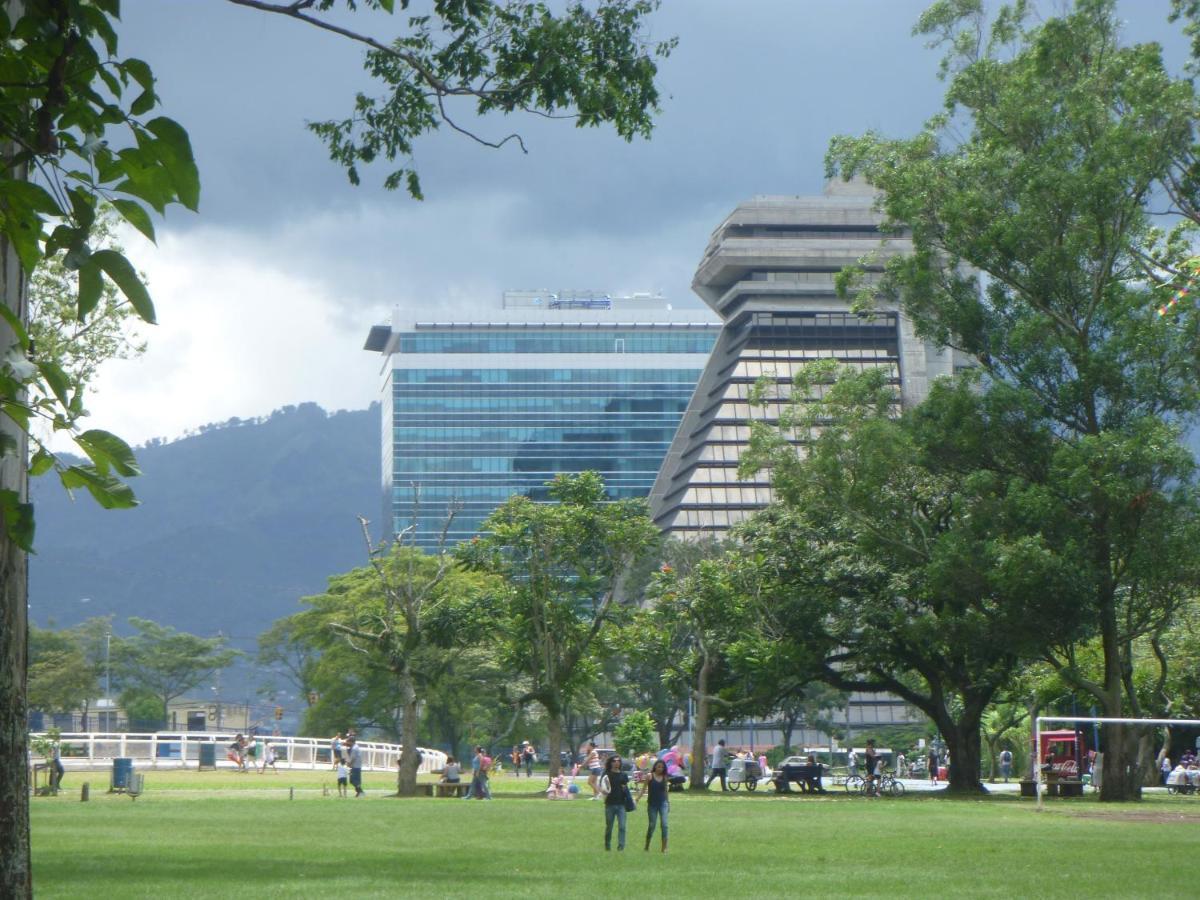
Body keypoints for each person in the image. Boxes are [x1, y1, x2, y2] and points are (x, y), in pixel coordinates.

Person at [599, 754, 631, 851]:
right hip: (610, 804)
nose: (616, 763)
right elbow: (602, 787)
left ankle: (621, 847)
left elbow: (626, 788)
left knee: (622, 826)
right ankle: (607, 845)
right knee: (609, 827)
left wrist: (625, 790)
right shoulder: (606, 774)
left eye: (618, 761)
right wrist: (603, 791)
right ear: (611, 763)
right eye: (614, 761)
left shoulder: (623, 775)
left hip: (621, 804)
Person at [638, 758, 670, 853]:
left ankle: (664, 848)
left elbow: (665, 791)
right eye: (658, 766)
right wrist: (637, 798)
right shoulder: (649, 776)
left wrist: (668, 803)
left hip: (663, 803)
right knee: (652, 825)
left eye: (662, 767)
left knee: (664, 825)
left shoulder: (664, 777)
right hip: (652, 804)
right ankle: (647, 845)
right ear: (655, 766)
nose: (660, 768)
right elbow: (643, 789)